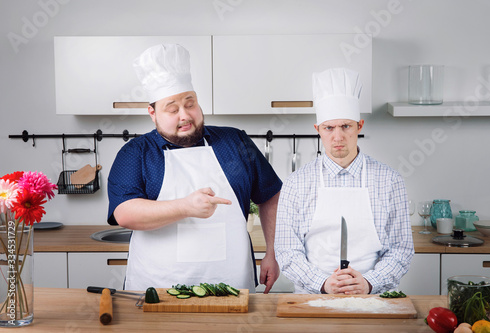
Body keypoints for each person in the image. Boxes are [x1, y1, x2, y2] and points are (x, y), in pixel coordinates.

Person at [107, 44, 281, 293]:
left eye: (190, 104)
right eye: (172, 109)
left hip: (231, 285)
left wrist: (272, 253)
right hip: (157, 288)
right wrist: (186, 207)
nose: (185, 115)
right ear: (152, 113)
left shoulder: (235, 142)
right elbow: (124, 213)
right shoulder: (136, 152)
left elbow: (271, 195)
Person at [274, 68, 414, 295]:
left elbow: (401, 250)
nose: (337, 137)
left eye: (345, 126)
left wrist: (368, 282)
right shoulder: (296, 183)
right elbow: (287, 251)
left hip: (374, 301)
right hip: (313, 300)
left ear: (359, 126)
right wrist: (323, 283)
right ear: (318, 130)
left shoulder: (390, 181)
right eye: (329, 128)